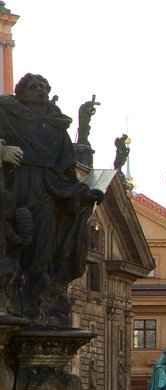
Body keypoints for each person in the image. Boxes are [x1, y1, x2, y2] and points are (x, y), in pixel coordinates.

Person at [0, 73, 105, 323]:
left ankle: (34, 300)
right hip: (13, 185)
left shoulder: (56, 126)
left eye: (43, 87)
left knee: (43, 248)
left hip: (47, 191)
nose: (39, 91)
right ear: (20, 92)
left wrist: (83, 193)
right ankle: (10, 297)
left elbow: (67, 174)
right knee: (10, 242)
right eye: (32, 87)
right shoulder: (5, 113)